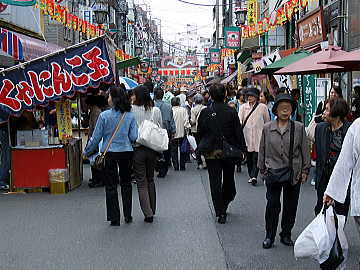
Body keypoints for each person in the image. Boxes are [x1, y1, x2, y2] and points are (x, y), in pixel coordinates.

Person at [258, 94, 310, 249]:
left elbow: (305, 150)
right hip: (272, 171)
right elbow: (262, 149)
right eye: (282, 107)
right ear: (276, 110)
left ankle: (286, 233)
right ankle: (269, 235)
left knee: (290, 205)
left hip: (293, 171)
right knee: (272, 205)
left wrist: (305, 170)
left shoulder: (299, 127)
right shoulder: (268, 128)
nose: (285, 110)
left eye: (288, 107)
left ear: (292, 110)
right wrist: (262, 169)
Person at [83, 86, 138, 226]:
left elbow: (96, 138)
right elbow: (134, 136)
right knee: (126, 183)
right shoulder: (130, 115)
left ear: (113, 99)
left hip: (110, 153)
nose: (107, 99)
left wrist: (87, 151)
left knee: (111, 185)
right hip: (126, 152)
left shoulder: (104, 116)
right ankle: (128, 215)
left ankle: (114, 218)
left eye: (109, 96)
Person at [198, 83, 246, 224]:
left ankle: (220, 211)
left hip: (212, 152)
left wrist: (203, 146)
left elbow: (200, 132)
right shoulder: (231, 111)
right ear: (225, 95)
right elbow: (238, 132)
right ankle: (225, 202)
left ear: (211, 96)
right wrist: (242, 149)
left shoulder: (205, 112)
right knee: (229, 179)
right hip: (229, 151)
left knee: (215, 181)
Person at [323, 118, 360, 266]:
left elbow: (345, 161)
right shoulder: (357, 127)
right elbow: (345, 161)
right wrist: (331, 191)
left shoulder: (357, 126)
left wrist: (332, 192)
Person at [314, 98, 351, 216]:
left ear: (336, 112)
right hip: (324, 177)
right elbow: (319, 154)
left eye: (327, 109)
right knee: (321, 211)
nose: (324, 112)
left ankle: (336, 234)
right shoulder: (320, 128)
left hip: (342, 178)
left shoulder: (350, 130)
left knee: (340, 212)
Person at [132, 85, 163, 223]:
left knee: (141, 181)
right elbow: (160, 128)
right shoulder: (155, 110)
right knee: (150, 179)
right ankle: (153, 208)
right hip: (152, 149)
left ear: (137, 96)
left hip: (137, 149)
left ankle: (147, 213)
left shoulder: (131, 110)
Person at [239, 88, 271, 186]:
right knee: (249, 157)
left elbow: (267, 121)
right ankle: (251, 174)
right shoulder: (243, 107)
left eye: (252, 96)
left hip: (259, 135)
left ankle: (254, 176)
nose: (249, 97)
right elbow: (239, 119)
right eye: (248, 96)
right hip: (247, 136)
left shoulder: (263, 107)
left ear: (256, 97)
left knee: (257, 157)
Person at [86, 92, 107, 188]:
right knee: (94, 159)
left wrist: (92, 141)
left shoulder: (95, 112)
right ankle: (97, 179)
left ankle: (97, 179)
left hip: (95, 139)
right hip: (95, 138)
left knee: (95, 159)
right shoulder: (95, 111)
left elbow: (95, 128)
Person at [154, 88, 176, 178]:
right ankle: (164, 168)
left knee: (156, 150)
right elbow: (172, 120)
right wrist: (174, 131)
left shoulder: (151, 106)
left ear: (155, 96)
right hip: (166, 132)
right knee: (166, 150)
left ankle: (158, 167)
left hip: (154, 132)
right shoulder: (168, 106)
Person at [171, 97, 191, 171]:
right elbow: (186, 121)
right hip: (182, 132)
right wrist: (188, 130)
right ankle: (182, 166)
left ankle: (176, 166)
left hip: (173, 134)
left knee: (174, 150)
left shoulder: (171, 110)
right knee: (183, 149)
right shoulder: (183, 110)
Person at [190, 94, 206, 169]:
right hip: (205, 129)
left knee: (198, 145)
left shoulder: (193, 109)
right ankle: (206, 161)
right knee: (205, 145)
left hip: (196, 130)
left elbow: (193, 121)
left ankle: (200, 163)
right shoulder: (205, 108)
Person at [0, 116, 10, 190]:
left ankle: (3, 179)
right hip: (4, 131)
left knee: (5, 155)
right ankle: (2, 180)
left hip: (4, 130)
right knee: (6, 155)